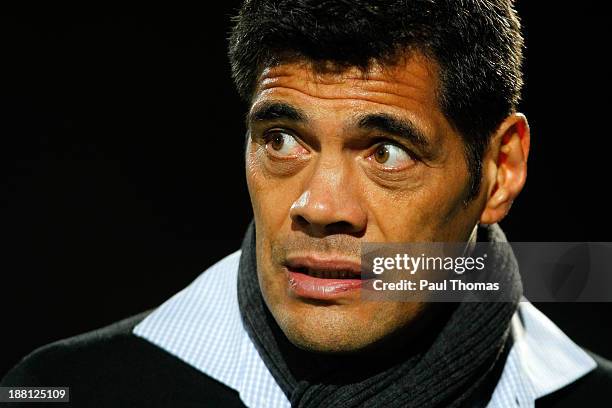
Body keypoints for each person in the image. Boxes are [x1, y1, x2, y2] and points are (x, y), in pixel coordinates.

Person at [2, 1, 611, 407]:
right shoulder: (64, 391)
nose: (319, 207)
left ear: (500, 171)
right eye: (283, 140)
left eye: (387, 152)